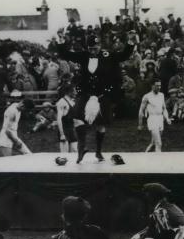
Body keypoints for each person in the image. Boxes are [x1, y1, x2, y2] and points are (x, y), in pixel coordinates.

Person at [57, 29, 136, 162]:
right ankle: (82, 148)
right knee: (76, 117)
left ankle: (98, 152)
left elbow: (124, 56)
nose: (93, 51)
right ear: (87, 47)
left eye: (96, 48)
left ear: (100, 46)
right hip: (86, 93)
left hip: (102, 94)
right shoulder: (83, 55)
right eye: (91, 48)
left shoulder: (107, 55)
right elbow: (65, 54)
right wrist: (61, 40)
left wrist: (130, 41)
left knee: (101, 124)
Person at [138, 80, 171, 152]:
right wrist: (140, 124)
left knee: (153, 143)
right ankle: (158, 162)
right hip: (152, 120)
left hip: (160, 119)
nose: (159, 87)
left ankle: (144, 158)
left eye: (160, 85)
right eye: (157, 86)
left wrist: (167, 118)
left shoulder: (162, 95)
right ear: (152, 86)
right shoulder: (146, 96)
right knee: (159, 143)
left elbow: (164, 109)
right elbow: (141, 111)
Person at [0, 90, 31, 156]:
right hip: (6, 137)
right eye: (25, 110)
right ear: (22, 106)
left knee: (29, 154)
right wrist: (16, 141)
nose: (24, 112)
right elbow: (7, 130)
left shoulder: (16, 105)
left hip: (14, 135)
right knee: (8, 161)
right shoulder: (11, 111)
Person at [55, 82, 77, 154]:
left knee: (75, 152)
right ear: (69, 92)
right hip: (64, 131)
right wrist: (62, 134)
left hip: (71, 130)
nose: (76, 93)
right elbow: (59, 119)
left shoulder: (72, 102)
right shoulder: (61, 102)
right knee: (65, 156)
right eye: (74, 91)